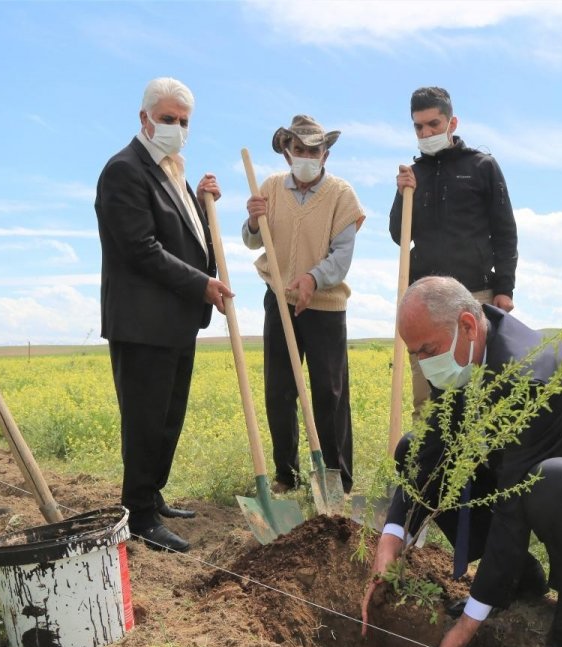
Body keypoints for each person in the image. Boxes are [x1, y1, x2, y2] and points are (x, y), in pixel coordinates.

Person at [360, 276, 562, 647]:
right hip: (533, 464)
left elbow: (511, 502)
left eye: (427, 350)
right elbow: (429, 451)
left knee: (549, 481)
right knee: (412, 446)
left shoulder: (527, 374)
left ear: (467, 325)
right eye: (415, 354)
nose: (423, 364)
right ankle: (518, 577)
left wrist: (468, 625)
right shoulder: (462, 353)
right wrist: (390, 537)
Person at [95, 77, 232, 554]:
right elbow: (141, 249)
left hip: (174, 320)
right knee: (146, 419)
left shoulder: (174, 172)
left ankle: (153, 495)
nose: (175, 128)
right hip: (141, 322)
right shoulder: (124, 171)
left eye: (183, 121)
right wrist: (203, 285)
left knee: (168, 417)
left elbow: (188, 239)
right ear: (144, 118)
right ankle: (138, 514)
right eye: (168, 119)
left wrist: (203, 205)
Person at [243, 115, 365, 493]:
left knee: (329, 392)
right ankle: (286, 476)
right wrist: (251, 221)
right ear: (287, 153)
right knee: (279, 390)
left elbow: (342, 255)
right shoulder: (270, 189)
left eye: (314, 150)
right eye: (299, 150)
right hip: (279, 301)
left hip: (325, 306)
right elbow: (252, 242)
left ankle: (337, 481)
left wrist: (313, 278)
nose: (307, 156)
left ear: (325, 154)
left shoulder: (342, 195)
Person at [389, 87, 519, 416]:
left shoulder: (482, 166)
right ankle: (428, 466)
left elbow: (504, 230)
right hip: (425, 300)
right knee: (427, 401)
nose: (426, 133)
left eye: (433, 124)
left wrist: (504, 289)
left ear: (452, 122)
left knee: (481, 393)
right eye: (418, 127)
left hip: (476, 295)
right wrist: (402, 194)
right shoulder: (413, 174)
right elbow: (398, 236)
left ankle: (482, 465)